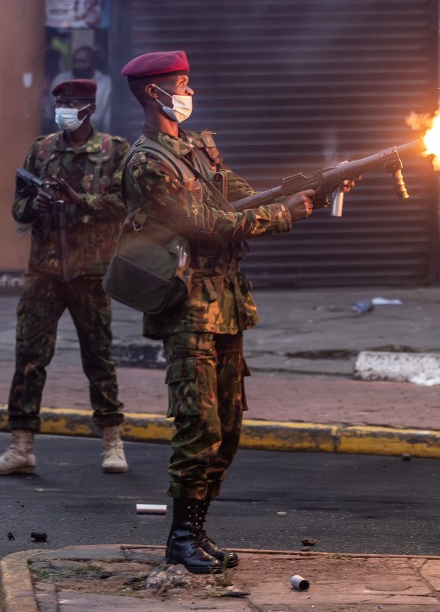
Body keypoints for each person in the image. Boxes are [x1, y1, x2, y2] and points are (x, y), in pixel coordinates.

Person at [118, 50, 337, 575]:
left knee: (229, 426)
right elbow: (209, 225)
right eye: (181, 85)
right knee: (199, 424)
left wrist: (313, 190)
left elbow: (243, 197)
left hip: (227, 306)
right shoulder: (147, 162)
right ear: (155, 93)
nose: (189, 93)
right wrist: (283, 215)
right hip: (188, 308)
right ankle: (180, 539)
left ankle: (199, 531)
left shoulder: (196, 148)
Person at [0, 79, 131, 476]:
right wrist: (38, 203)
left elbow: (125, 203)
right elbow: (18, 207)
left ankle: (112, 442)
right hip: (45, 270)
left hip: (90, 270)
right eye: (61, 102)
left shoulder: (114, 150)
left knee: (98, 356)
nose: (65, 108)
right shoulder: (42, 149)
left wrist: (79, 200)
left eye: (72, 102)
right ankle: (21, 446)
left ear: (89, 108)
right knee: (29, 356)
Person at [48, 46, 113, 133]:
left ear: (93, 63)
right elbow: (50, 111)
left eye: (83, 62)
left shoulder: (105, 83)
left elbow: (107, 118)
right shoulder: (60, 80)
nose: (79, 66)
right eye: (75, 61)